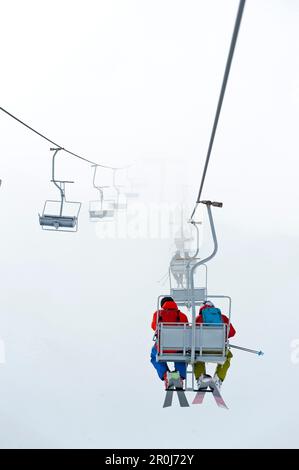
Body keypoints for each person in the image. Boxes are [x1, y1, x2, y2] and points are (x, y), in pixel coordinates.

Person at [194, 301, 236, 390]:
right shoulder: (223, 318)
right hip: (219, 349)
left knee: (196, 358)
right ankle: (218, 378)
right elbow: (232, 332)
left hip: (202, 349)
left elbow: (193, 334)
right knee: (227, 357)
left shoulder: (199, 318)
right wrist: (224, 336)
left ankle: (201, 378)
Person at [151, 296, 188, 389]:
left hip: (163, 347)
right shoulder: (182, 316)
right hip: (179, 347)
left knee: (154, 355)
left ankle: (165, 375)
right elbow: (187, 329)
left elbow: (153, 327)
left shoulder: (158, 314)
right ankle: (178, 375)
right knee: (182, 356)